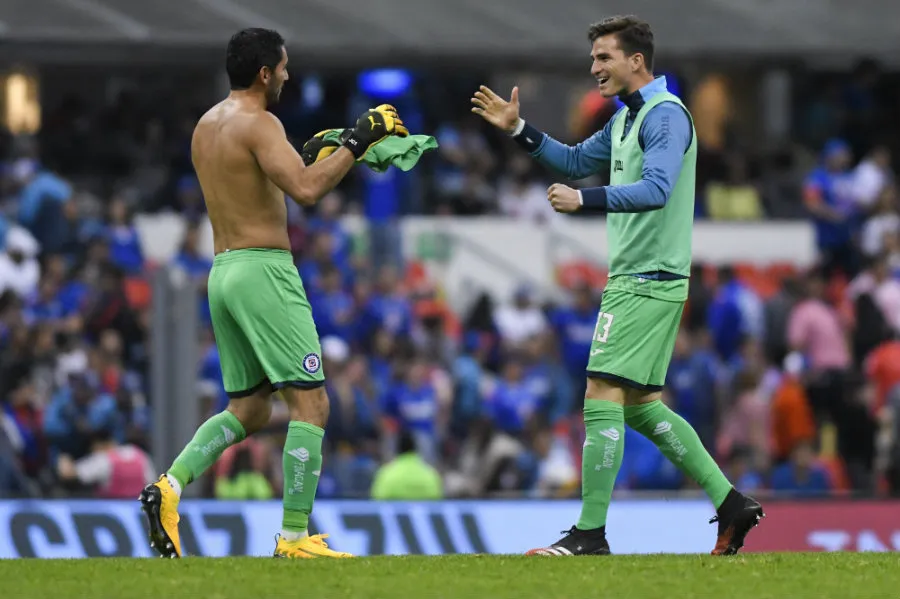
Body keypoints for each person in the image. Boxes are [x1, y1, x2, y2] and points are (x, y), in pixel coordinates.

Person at [472, 15, 763, 556]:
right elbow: (575, 160)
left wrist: (585, 201)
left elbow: (655, 189)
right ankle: (731, 504)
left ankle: (589, 533)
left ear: (636, 61)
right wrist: (518, 129)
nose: (594, 68)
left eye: (604, 57)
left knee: (600, 394)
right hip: (640, 278)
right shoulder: (627, 118)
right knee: (640, 406)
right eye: (593, 59)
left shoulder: (666, 116)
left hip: (646, 279)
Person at [138, 28, 408, 560]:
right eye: (283, 67)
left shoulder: (206, 125)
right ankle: (294, 536)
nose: (287, 74)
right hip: (264, 270)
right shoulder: (261, 123)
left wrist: (309, 153)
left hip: (223, 270)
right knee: (312, 404)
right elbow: (306, 190)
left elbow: (254, 181)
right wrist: (358, 139)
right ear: (265, 72)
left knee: (250, 409)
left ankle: (169, 487)